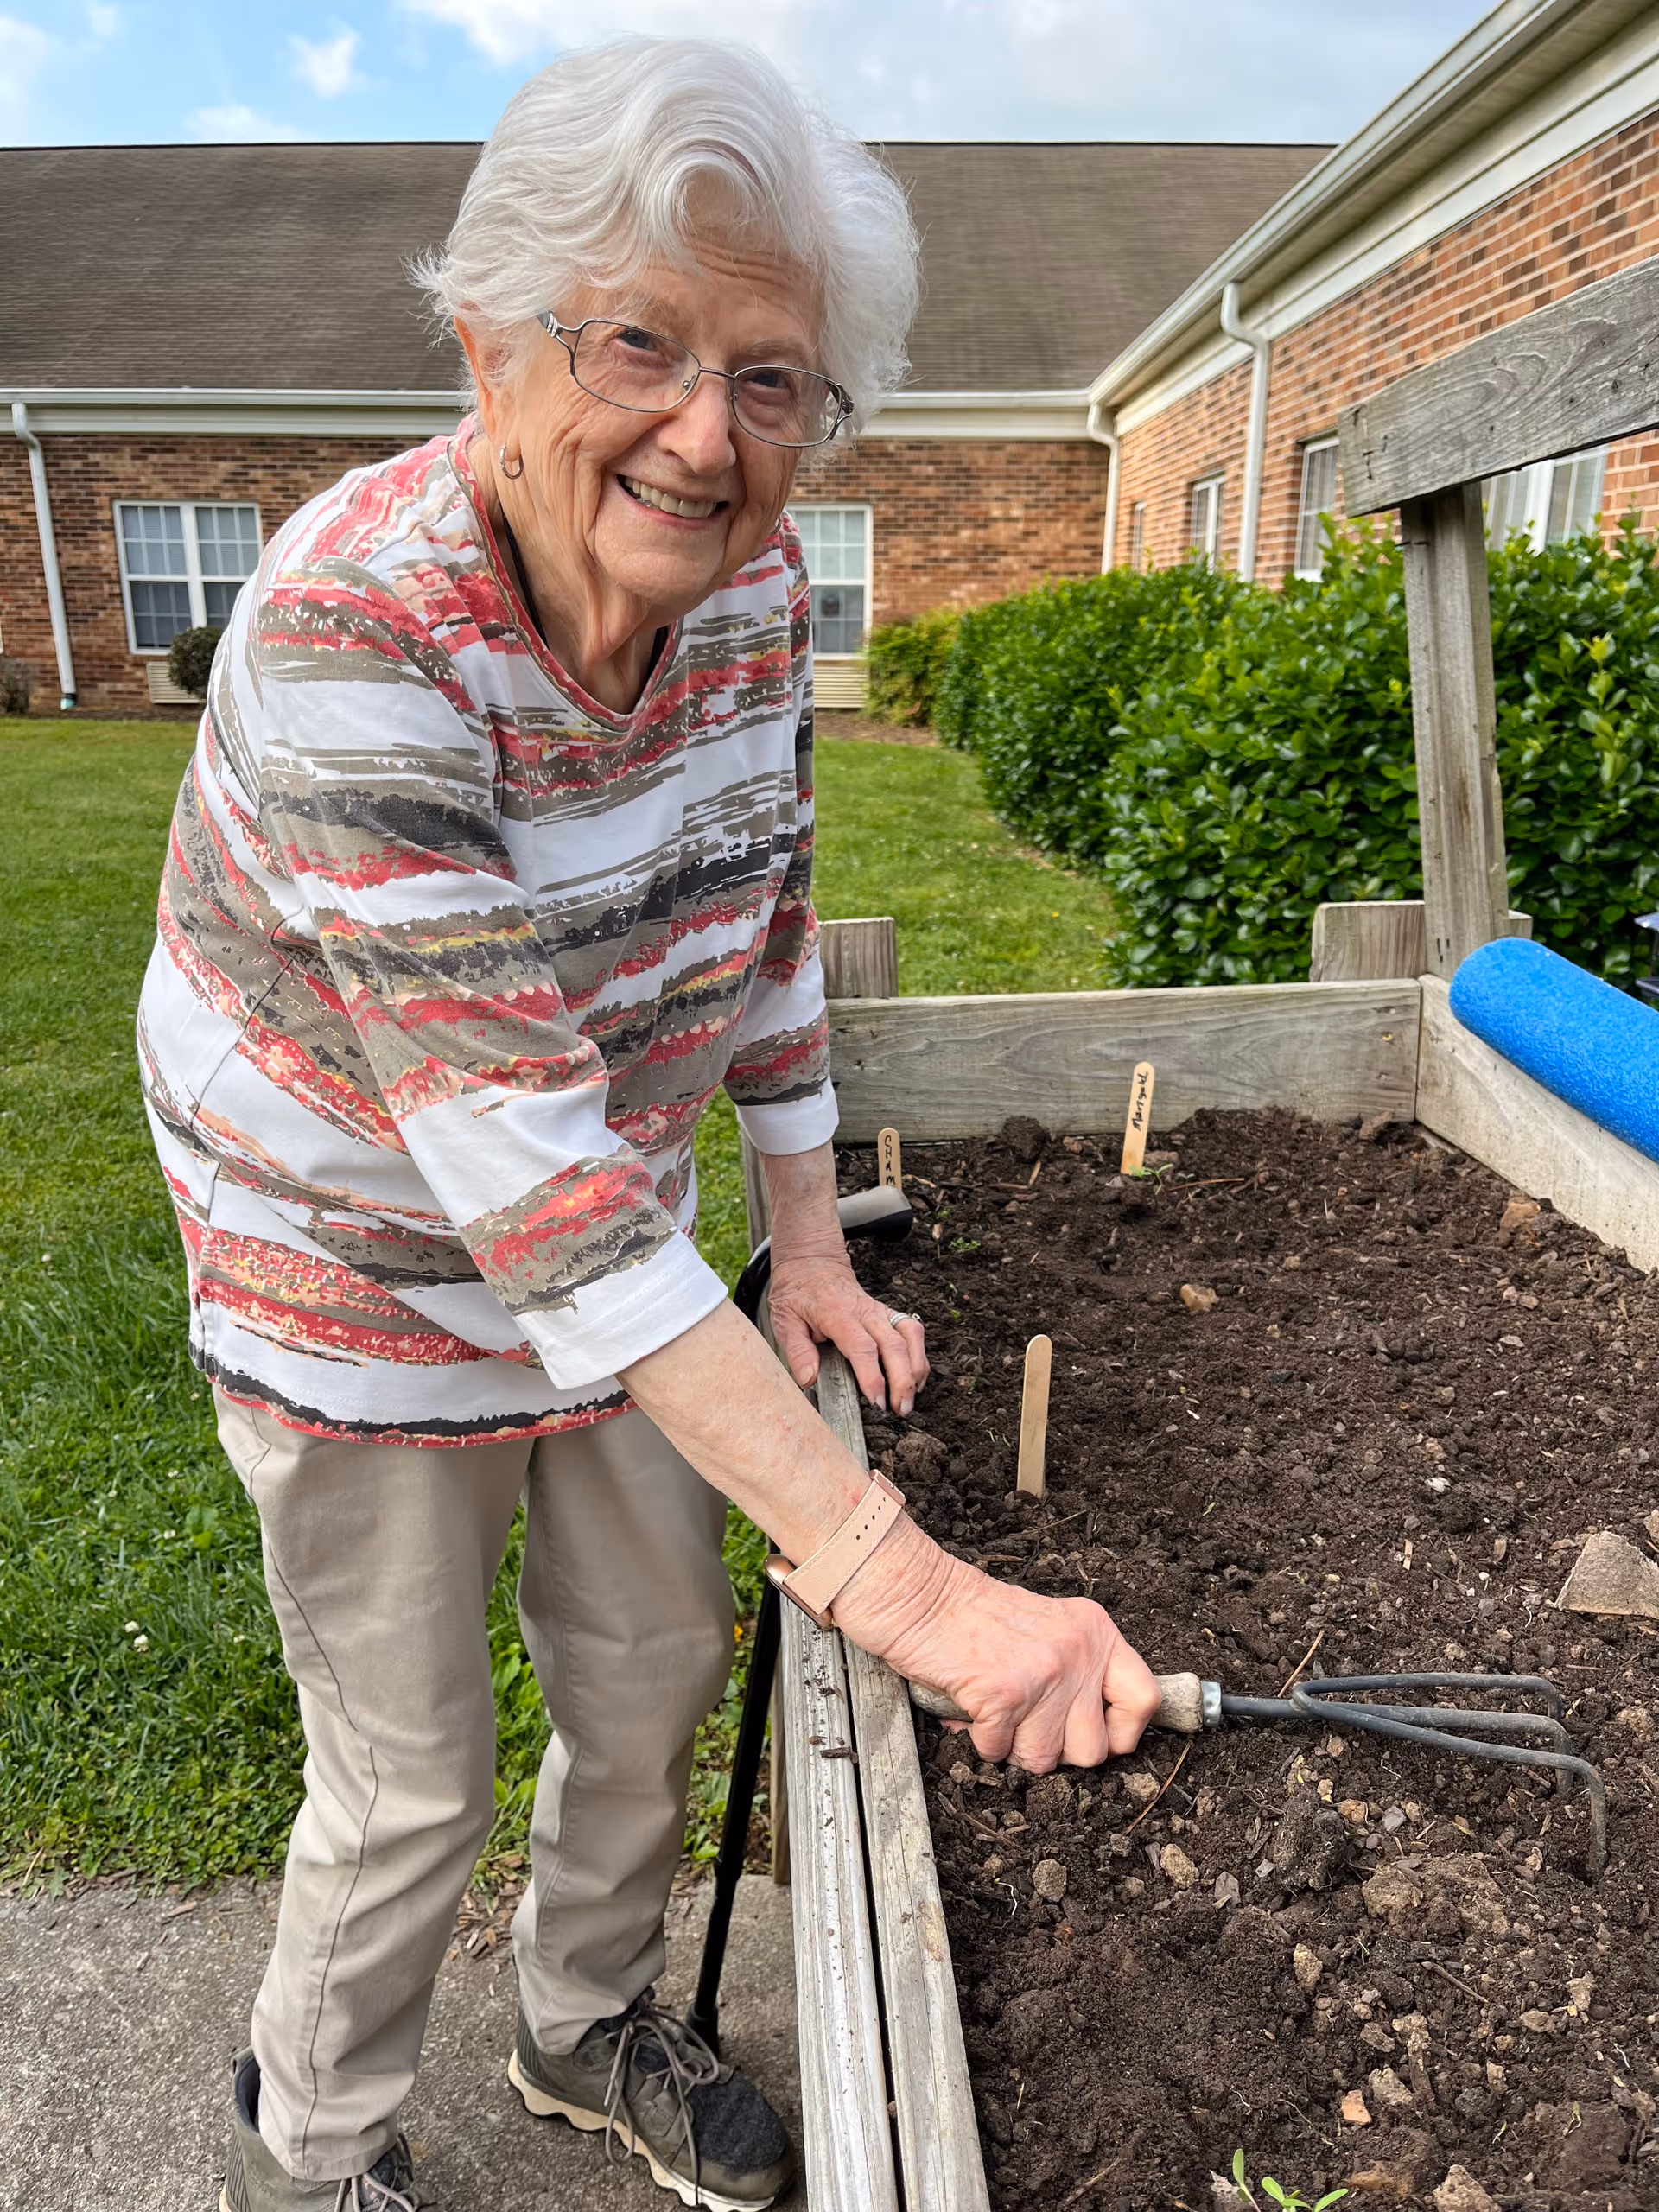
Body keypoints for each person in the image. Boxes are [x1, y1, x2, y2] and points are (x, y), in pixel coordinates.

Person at [137, 37, 1159, 2212]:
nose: (707, 432)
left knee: (656, 1655)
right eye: (641, 344)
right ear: (489, 339)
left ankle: (582, 2014)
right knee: (406, 1770)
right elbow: (546, 1212)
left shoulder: (754, 597)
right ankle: (303, 2148)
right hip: (352, 1257)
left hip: (612, 1224)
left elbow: (759, 924)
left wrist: (801, 1239)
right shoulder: (350, 637)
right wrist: (919, 1587)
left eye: (771, 375)